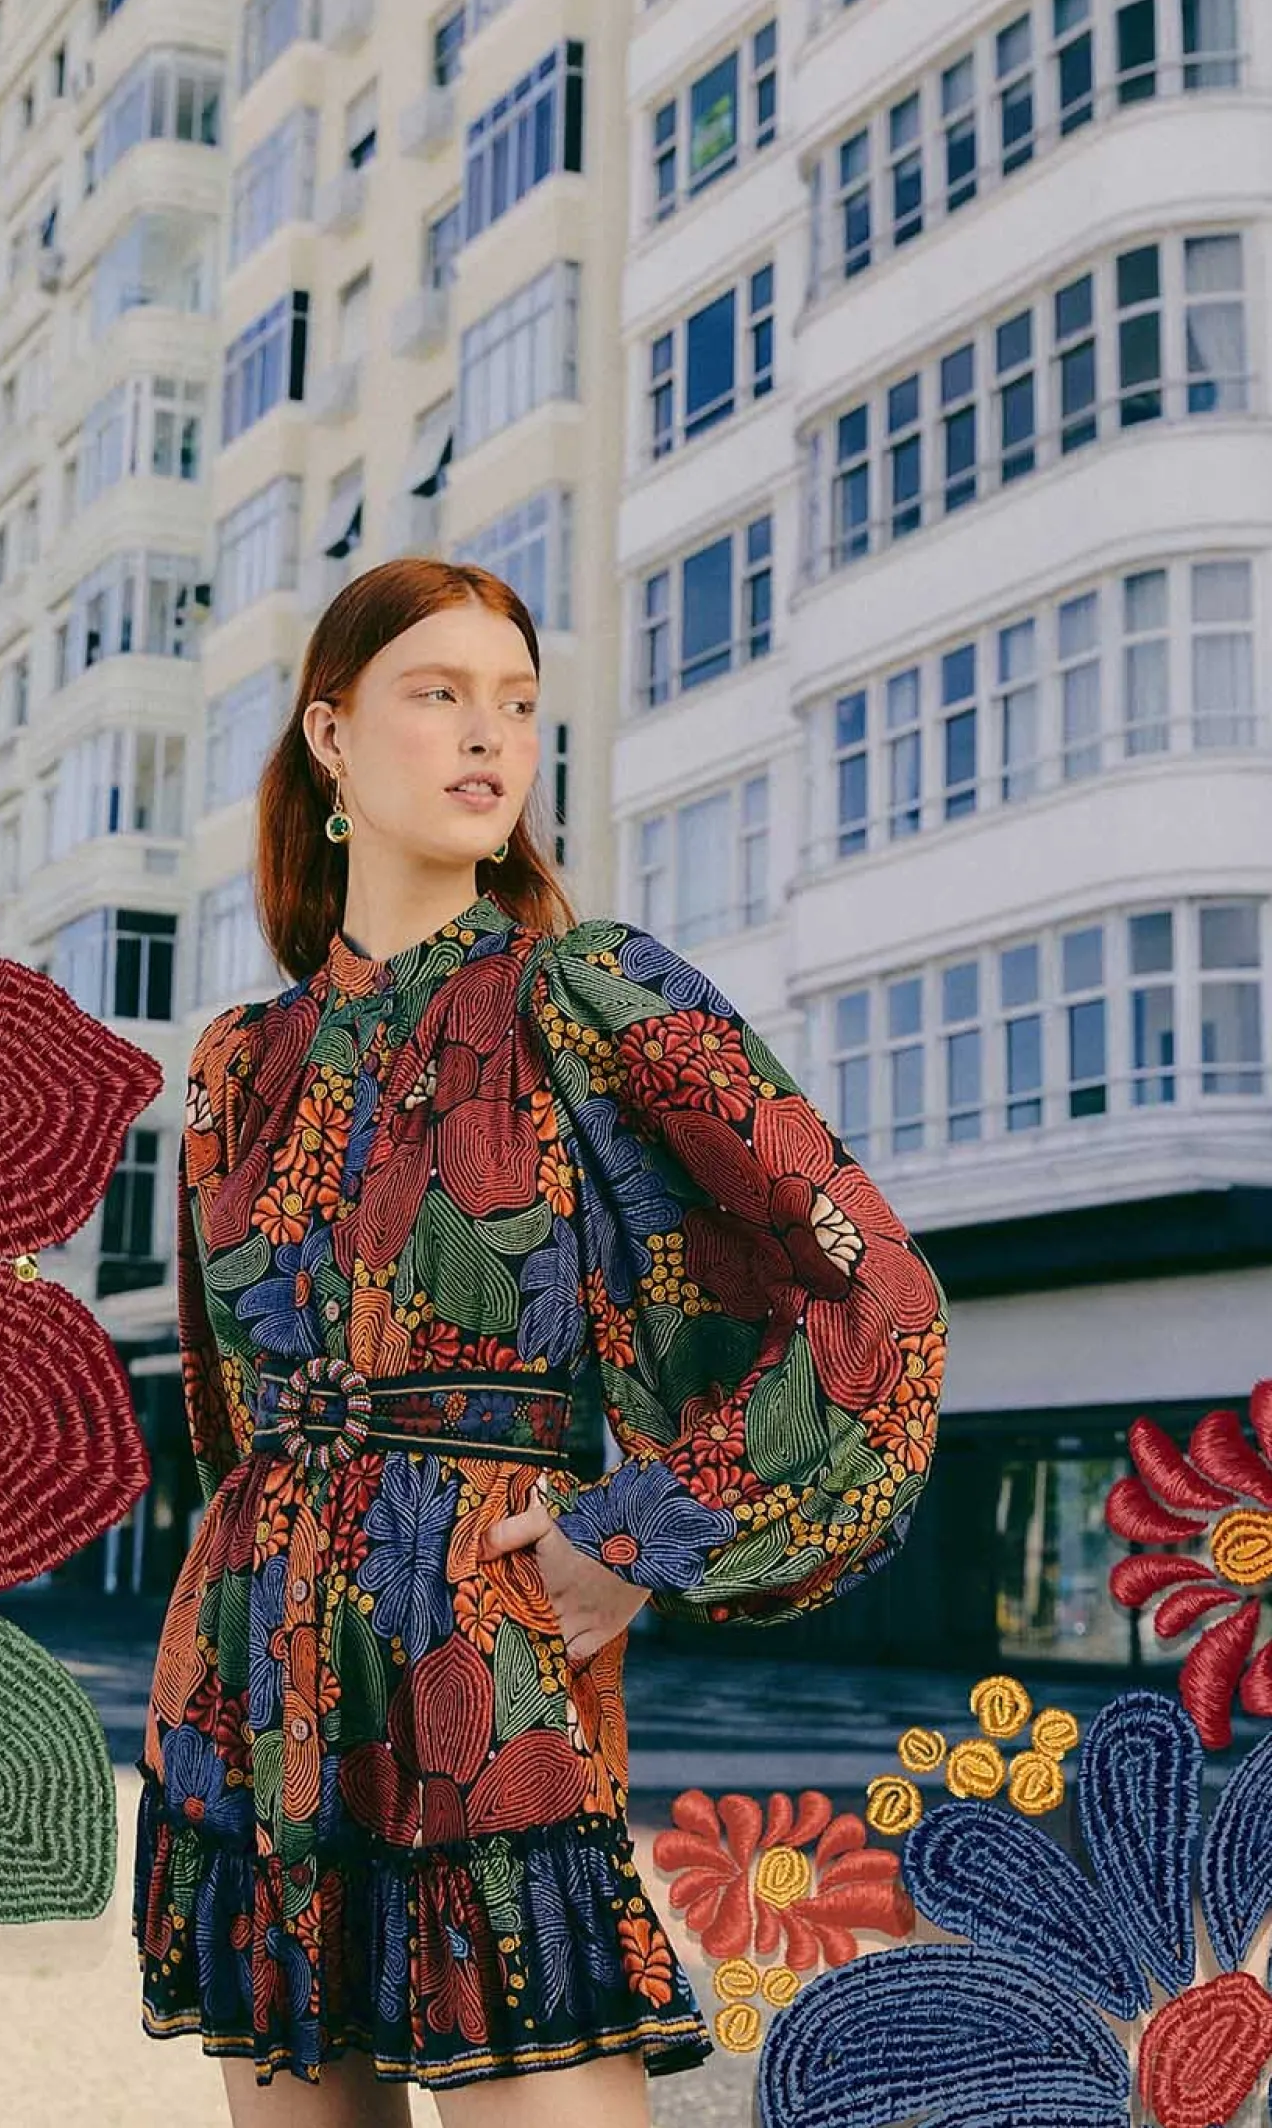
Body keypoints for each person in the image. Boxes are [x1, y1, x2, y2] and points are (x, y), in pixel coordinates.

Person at [133, 558, 948, 2125]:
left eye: (517, 703)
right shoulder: (233, 1066)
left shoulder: (583, 993)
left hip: (483, 1648)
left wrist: (635, 1537)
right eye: (437, 694)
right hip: (245, 1677)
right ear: (330, 733)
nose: (488, 736)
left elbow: (874, 1287)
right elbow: (227, 1422)